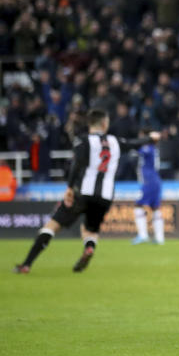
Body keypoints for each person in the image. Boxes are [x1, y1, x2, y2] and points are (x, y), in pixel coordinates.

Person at [14, 109, 160, 273]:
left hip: (82, 192)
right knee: (90, 230)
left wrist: (69, 188)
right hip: (105, 197)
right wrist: (151, 138)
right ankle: (89, 248)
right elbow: (135, 143)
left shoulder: (83, 141)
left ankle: (26, 264)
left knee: (52, 226)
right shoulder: (115, 141)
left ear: (90, 123)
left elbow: (76, 165)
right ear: (104, 123)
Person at [131, 130, 165, 245]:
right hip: (156, 180)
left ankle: (143, 235)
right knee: (155, 207)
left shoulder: (147, 148)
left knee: (138, 205)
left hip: (149, 181)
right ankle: (160, 238)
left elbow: (135, 148)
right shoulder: (153, 149)